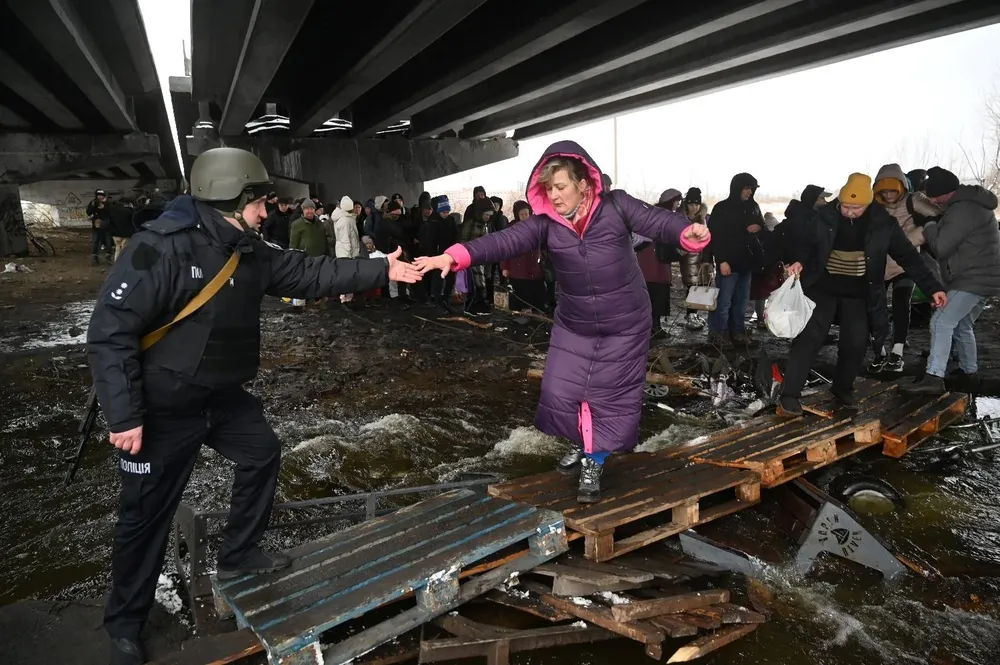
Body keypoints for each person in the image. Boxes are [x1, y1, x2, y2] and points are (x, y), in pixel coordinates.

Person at [86, 148, 420, 665]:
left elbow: (310, 274)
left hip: (220, 398)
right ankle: (125, 623)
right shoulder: (159, 249)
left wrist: (379, 270)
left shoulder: (248, 249)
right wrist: (124, 415)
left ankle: (238, 556)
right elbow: (109, 333)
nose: (266, 213)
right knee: (145, 517)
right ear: (230, 199)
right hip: (161, 408)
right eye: (259, 202)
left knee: (262, 451)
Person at [415, 141, 710, 503]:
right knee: (560, 391)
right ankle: (581, 441)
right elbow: (503, 241)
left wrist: (686, 233)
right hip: (575, 321)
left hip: (625, 321)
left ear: (583, 183)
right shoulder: (546, 225)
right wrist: (455, 256)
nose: (554, 196)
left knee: (606, 395)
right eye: (548, 189)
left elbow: (658, 221)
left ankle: (594, 460)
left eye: (561, 187)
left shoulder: (617, 206)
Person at [777, 173, 946, 417]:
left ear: (867, 204)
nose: (849, 211)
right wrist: (798, 261)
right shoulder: (824, 217)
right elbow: (805, 245)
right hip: (822, 290)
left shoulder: (883, 224)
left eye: (856, 207)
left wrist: (933, 287)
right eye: (845, 206)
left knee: (856, 343)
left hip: (859, 294)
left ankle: (842, 389)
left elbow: (908, 257)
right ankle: (789, 396)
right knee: (807, 340)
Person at [902, 167, 1000, 394]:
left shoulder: (962, 209)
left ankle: (934, 377)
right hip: (983, 277)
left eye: (934, 196)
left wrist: (929, 225)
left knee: (941, 321)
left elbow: (941, 247)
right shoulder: (973, 205)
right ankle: (968, 374)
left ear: (946, 192)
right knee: (962, 325)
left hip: (973, 278)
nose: (933, 201)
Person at [868, 163, 943, 373]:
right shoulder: (873, 205)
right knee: (876, 306)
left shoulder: (914, 200)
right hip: (879, 264)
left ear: (901, 186)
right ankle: (879, 351)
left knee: (901, 304)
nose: (889, 194)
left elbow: (938, 216)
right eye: (884, 190)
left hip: (905, 263)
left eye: (893, 189)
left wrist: (918, 236)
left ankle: (898, 352)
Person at [706, 173, 764, 347]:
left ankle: (738, 332)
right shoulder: (722, 208)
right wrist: (721, 260)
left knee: (741, 302)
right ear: (737, 188)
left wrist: (759, 227)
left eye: (752, 189)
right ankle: (718, 334)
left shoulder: (753, 207)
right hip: (728, 264)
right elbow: (715, 236)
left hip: (746, 263)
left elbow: (762, 226)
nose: (749, 192)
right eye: (747, 188)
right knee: (723, 302)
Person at [637, 189, 682, 339]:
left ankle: (653, 327)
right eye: (677, 200)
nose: (678, 204)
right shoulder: (666, 217)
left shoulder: (652, 214)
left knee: (651, 295)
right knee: (657, 294)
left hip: (648, 259)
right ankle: (654, 327)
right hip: (656, 261)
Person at [500, 201, 548, 314]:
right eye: (522, 215)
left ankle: (538, 308)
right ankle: (521, 311)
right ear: (517, 215)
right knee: (522, 290)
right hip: (518, 265)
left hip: (534, 264)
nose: (525, 217)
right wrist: (505, 267)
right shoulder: (512, 228)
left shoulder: (535, 226)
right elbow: (504, 249)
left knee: (537, 287)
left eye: (526, 214)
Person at [678, 188, 710, 331]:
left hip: (703, 256)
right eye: (691, 204)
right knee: (692, 286)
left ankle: (695, 314)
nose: (694, 207)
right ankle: (690, 315)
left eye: (697, 204)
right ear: (686, 205)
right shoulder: (682, 219)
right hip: (688, 256)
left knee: (701, 285)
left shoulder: (704, 218)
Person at [421, 196, 459, 312]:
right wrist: (433, 255)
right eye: (444, 212)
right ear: (438, 211)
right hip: (438, 255)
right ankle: (438, 302)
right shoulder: (432, 222)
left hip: (450, 254)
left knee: (450, 280)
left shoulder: (451, 220)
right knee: (439, 279)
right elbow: (428, 241)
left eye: (448, 212)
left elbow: (456, 235)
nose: (446, 214)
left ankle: (446, 300)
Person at [87, 189, 114, 265]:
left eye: (101, 195)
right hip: (96, 226)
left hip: (106, 226)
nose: (100, 197)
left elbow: (112, 212)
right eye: (98, 195)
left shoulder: (108, 203)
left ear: (104, 196)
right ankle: (95, 259)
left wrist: (104, 207)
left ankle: (108, 258)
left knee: (108, 243)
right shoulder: (93, 202)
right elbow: (88, 212)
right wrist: (93, 207)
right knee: (95, 242)